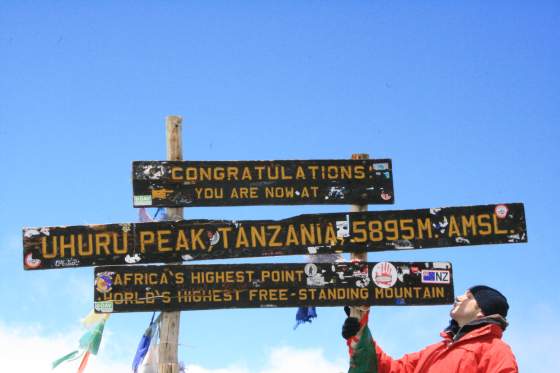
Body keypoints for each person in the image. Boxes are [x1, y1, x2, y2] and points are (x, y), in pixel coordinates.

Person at [342, 285, 518, 372]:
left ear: (481, 312)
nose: (458, 297)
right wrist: (359, 329)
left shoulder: (495, 349)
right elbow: (387, 369)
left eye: (469, 297)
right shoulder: (434, 351)